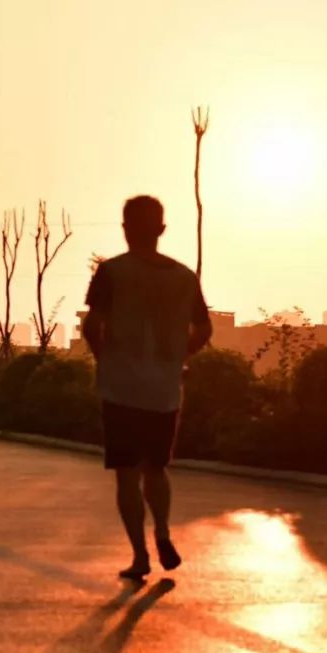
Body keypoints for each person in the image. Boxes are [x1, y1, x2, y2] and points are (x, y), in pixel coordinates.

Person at [82, 195, 213, 581]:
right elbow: (204, 329)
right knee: (155, 469)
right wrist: (179, 356)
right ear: (161, 229)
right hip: (165, 390)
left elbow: (93, 325)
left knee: (126, 474)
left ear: (125, 229)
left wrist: (104, 358)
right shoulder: (184, 276)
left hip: (121, 387)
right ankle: (164, 532)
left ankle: (140, 557)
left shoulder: (112, 272)